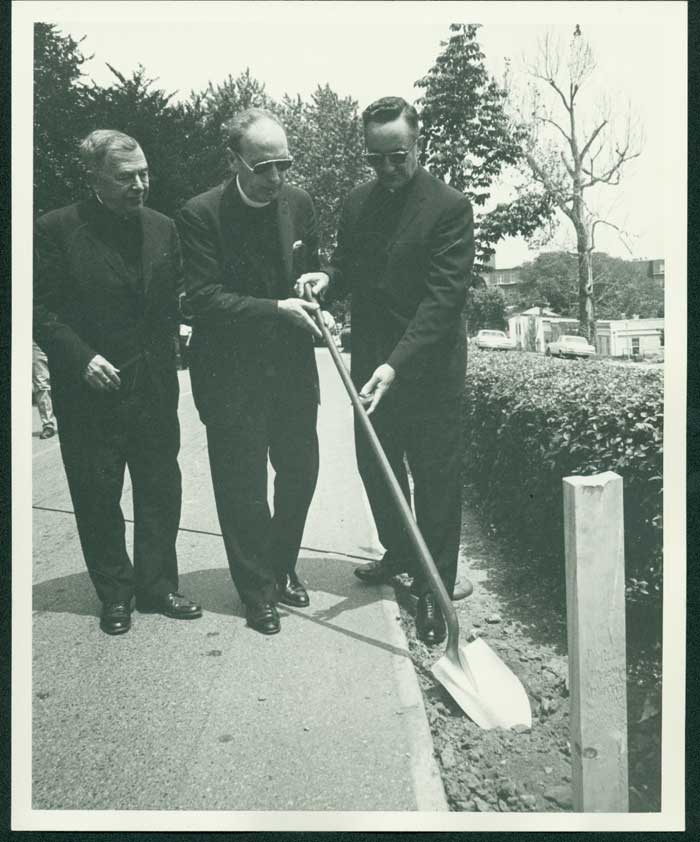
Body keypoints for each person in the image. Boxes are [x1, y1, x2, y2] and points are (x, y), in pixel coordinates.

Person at [299, 96, 474, 645]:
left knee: (436, 479)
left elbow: (441, 303)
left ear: (418, 144)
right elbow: (351, 267)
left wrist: (395, 365)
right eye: (375, 159)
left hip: (427, 369)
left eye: (397, 156)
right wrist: (328, 279)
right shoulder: (357, 202)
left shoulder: (449, 207)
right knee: (377, 467)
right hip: (370, 363)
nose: (387, 170)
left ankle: (435, 587)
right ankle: (401, 554)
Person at [34, 129, 202, 635]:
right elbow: (39, 308)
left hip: (152, 386)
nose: (140, 185)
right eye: (126, 177)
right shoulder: (56, 229)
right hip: (90, 389)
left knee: (159, 487)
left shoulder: (162, 227)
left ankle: (157, 586)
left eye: (145, 174)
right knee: (96, 493)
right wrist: (80, 359)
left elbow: (174, 293)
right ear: (95, 178)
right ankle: (115, 594)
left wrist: (185, 321)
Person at [177, 108, 324, 636]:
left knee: (301, 472)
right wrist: (278, 308)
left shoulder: (299, 203)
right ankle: (257, 590)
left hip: (291, 370)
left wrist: (315, 281)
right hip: (230, 373)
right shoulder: (201, 214)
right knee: (242, 486)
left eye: (283, 164)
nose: (276, 179)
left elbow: (313, 263)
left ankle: (282, 564)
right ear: (234, 160)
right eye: (263, 167)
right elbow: (204, 298)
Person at [32, 340, 57, 439]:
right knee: (41, 383)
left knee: (67, 378)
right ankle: (48, 425)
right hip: (36, 340)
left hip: (58, 336)